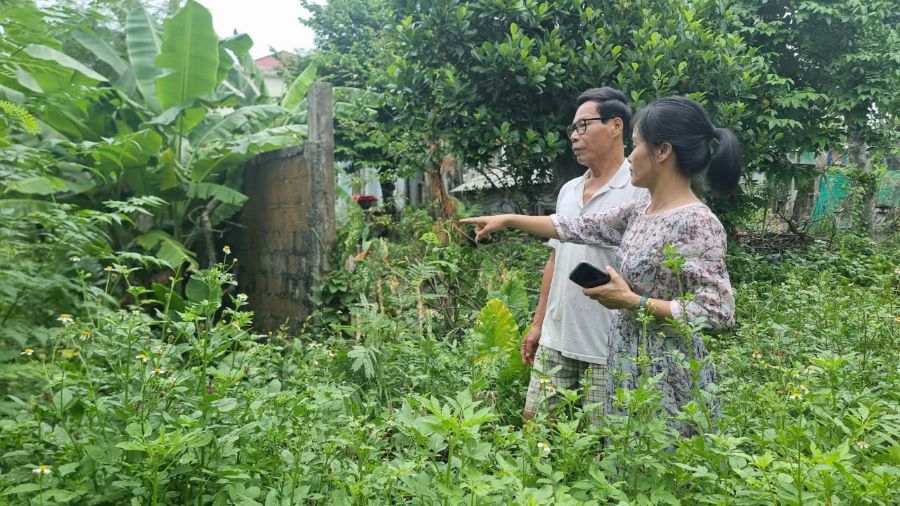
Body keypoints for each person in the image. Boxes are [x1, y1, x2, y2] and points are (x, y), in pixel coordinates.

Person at [462, 96, 740, 432]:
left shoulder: (696, 221)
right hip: (625, 360)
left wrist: (634, 302)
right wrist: (507, 219)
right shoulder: (642, 211)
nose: (631, 155)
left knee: (656, 466)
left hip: (666, 372)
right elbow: (575, 226)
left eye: (636, 145)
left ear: (663, 151)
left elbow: (718, 311)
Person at [520, 87, 645, 424]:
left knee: (606, 444)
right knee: (535, 430)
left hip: (608, 347)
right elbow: (554, 259)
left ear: (616, 126)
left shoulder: (641, 188)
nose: (574, 137)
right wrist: (537, 324)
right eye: (572, 130)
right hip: (556, 339)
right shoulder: (568, 190)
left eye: (583, 126)